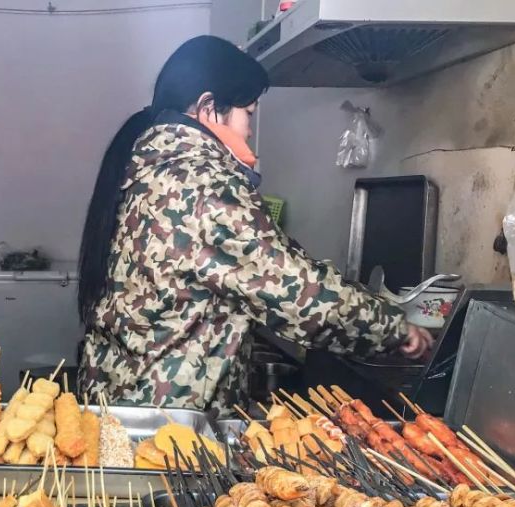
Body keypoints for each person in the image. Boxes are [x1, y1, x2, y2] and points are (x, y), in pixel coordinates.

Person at [77, 35, 432, 412]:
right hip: (165, 419)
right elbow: (296, 292)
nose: (248, 130)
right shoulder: (201, 184)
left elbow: (273, 259)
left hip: (125, 398)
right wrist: (393, 327)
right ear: (209, 107)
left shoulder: (155, 166)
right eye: (249, 112)